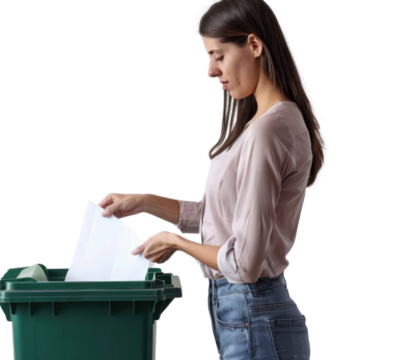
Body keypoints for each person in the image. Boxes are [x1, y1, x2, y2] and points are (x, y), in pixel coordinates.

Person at [99, 1, 328, 358]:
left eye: (218, 55)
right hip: (248, 313)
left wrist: (176, 242)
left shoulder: (268, 131)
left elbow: (245, 263)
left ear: (254, 45)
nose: (211, 71)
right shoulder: (266, 124)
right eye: (208, 57)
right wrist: (143, 200)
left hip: (252, 310)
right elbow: (216, 216)